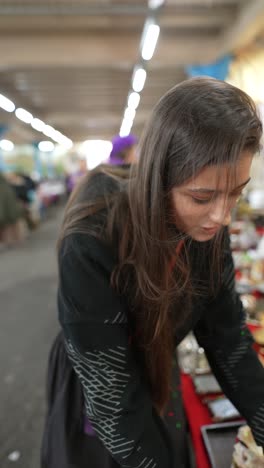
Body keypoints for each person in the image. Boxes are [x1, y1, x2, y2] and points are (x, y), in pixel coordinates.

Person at [42, 77, 264, 468]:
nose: (222, 216)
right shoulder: (91, 238)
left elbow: (228, 339)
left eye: (236, 193)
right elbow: (113, 403)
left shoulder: (207, 229)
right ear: (159, 177)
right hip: (96, 375)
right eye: (202, 197)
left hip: (157, 358)